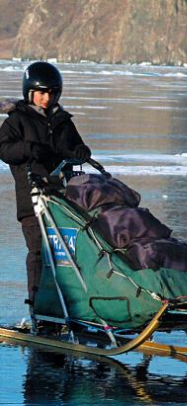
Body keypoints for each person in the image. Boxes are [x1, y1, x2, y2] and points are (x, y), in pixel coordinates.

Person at [0, 61, 92, 309]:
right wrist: (28, 148)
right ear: (30, 92)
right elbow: (4, 149)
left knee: (66, 254)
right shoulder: (18, 120)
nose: (46, 98)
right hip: (32, 200)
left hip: (63, 201)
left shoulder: (63, 121)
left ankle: (69, 307)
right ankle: (38, 308)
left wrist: (81, 152)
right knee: (39, 252)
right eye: (41, 93)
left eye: (51, 93)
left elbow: (74, 152)